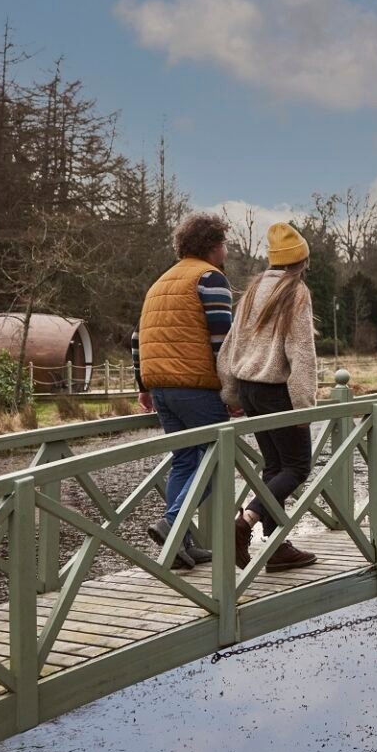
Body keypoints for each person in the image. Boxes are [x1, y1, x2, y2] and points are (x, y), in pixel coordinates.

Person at [131, 211, 236, 569]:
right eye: (223, 243)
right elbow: (222, 341)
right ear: (212, 246)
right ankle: (173, 524)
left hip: (161, 389)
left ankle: (180, 547)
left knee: (186, 460)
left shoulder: (159, 283)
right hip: (197, 388)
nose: (226, 249)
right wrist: (232, 391)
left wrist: (143, 385)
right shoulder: (210, 278)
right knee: (217, 459)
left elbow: (137, 338)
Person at [217, 221, 320, 571]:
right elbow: (302, 352)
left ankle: (276, 547)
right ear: (301, 260)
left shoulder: (255, 288)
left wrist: (231, 392)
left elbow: (233, 344)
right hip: (277, 391)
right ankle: (245, 522)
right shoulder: (296, 292)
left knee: (275, 467)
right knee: (297, 467)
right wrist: (304, 405)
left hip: (249, 388)